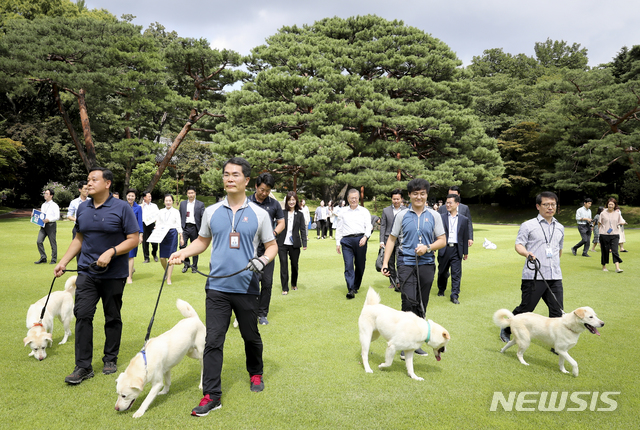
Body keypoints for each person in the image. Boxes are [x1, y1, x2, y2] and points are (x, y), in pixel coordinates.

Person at [167, 156, 277, 417]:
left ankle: (256, 373)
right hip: (216, 287)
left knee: (250, 336)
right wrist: (183, 252)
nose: (229, 178)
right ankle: (211, 395)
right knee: (213, 341)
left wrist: (262, 259)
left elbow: (271, 246)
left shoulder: (260, 214)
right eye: (226, 174)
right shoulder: (212, 211)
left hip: (247, 286)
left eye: (235, 174)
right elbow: (202, 242)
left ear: (246, 180)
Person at [54, 167, 139, 384]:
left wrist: (111, 252)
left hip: (114, 274)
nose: (89, 183)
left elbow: (133, 238)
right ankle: (83, 366)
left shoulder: (121, 208)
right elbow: (79, 238)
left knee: (112, 316)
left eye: (94, 180)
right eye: (88, 180)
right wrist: (63, 262)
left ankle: (110, 358)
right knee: (82, 315)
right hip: (87, 272)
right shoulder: (83, 208)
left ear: (107, 183)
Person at [499, 191, 565, 343]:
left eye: (553, 204)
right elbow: (518, 244)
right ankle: (507, 327)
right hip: (534, 276)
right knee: (526, 309)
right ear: (538, 206)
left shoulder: (560, 227)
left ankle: (557, 343)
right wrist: (527, 254)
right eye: (546, 204)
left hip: (555, 276)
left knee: (557, 311)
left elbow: (558, 250)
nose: (550, 207)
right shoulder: (528, 225)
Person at [382, 179, 446, 317]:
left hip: (427, 263)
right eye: (415, 193)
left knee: (422, 303)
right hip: (406, 263)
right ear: (409, 195)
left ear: (427, 195)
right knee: (408, 302)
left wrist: (427, 248)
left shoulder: (435, 215)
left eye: (422, 193)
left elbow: (442, 241)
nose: (419, 197)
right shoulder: (401, 215)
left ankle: (419, 333)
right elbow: (392, 239)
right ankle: (405, 336)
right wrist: (385, 263)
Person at [249, 172, 284, 325]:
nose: (264, 193)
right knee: (251, 282)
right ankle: (249, 312)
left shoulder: (274, 204)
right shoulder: (246, 201)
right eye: (262, 189)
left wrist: (273, 233)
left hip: (269, 248)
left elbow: (281, 222)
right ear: (256, 186)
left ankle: (262, 313)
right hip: (250, 248)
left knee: (267, 283)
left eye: (267, 191)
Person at [335, 189, 373, 299]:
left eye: (356, 198)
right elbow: (339, 228)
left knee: (360, 265)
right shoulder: (343, 212)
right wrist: (338, 242)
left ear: (358, 198)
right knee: (348, 265)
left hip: (361, 239)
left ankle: (356, 286)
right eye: (351, 198)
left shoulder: (364, 211)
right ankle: (350, 289)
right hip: (346, 241)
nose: (354, 200)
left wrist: (365, 237)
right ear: (348, 199)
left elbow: (368, 226)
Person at [437, 194, 469, 304]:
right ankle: (441, 289)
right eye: (447, 202)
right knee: (442, 272)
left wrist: (465, 252)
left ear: (457, 204)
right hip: (444, 247)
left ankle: (454, 295)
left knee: (456, 273)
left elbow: (465, 236)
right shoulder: (441, 217)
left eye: (450, 202)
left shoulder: (463, 219)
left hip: (456, 249)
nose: (448, 204)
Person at [277, 192, 307, 294]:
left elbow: (303, 229)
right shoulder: (282, 212)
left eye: (293, 200)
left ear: (296, 201)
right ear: (287, 201)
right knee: (283, 265)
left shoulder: (300, 214)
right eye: (289, 200)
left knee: (294, 265)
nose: (291, 202)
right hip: (282, 243)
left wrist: (305, 243)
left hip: (295, 243)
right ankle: (285, 288)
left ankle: (294, 283)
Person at [379, 189, 405, 290]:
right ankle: (392, 281)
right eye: (394, 199)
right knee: (390, 263)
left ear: (401, 199)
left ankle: (399, 281)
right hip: (388, 240)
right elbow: (383, 226)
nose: (396, 201)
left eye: (398, 199)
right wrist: (381, 241)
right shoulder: (386, 210)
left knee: (400, 261)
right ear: (391, 199)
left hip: (401, 240)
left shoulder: (405, 210)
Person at [156, 194, 182, 285]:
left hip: (172, 234)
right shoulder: (160, 211)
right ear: (164, 201)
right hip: (163, 234)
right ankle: (166, 273)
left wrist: (181, 236)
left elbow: (179, 224)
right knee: (162, 258)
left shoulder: (176, 212)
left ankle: (169, 278)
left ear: (172, 202)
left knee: (171, 257)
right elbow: (158, 223)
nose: (168, 202)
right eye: (166, 200)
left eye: (169, 201)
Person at [179, 186, 205, 274]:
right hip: (185, 228)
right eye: (189, 193)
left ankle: (194, 266)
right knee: (182, 246)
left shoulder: (200, 204)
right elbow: (179, 216)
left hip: (195, 228)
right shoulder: (182, 204)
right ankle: (186, 264)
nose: (190, 195)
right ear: (187, 194)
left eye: (192, 193)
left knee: (195, 247)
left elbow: (203, 217)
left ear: (195, 193)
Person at [598, 198, 624, 273]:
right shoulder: (603, 213)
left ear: (615, 205)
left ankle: (617, 268)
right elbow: (599, 223)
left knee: (615, 251)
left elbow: (620, 222)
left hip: (615, 234)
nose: (610, 206)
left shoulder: (617, 214)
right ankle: (604, 266)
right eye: (609, 204)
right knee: (605, 251)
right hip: (604, 234)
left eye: (612, 204)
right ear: (607, 205)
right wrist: (601, 231)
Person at [35, 188, 60, 264]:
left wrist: (49, 219)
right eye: (44, 193)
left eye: (47, 194)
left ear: (51, 195)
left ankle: (54, 259)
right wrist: (35, 215)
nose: (45, 195)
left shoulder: (54, 205)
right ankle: (43, 257)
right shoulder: (43, 205)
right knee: (39, 241)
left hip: (51, 225)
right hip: (43, 225)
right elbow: (42, 215)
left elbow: (57, 217)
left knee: (52, 242)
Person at [125, 189, 144, 284]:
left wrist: (141, 235)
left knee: (130, 256)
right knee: (123, 255)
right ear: (126, 196)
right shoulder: (123, 206)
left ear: (135, 197)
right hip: (122, 234)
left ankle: (129, 277)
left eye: (132, 196)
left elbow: (140, 222)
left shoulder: (138, 208)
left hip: (133, 235)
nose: (130, 197)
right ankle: (129, 270)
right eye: (129, 195)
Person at [141, 191, 159, 263]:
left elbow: (158, 215)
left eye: (150, 196)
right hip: (144, 225)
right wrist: (142, 206)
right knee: (145, 242)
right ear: (144, 197)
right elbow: (138, 214)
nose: (150, 198)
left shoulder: (154, 205)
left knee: (154, 242)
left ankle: (154, 254)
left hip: (152, 224)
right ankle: (146, 258)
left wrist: (157, 223)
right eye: (149, 196)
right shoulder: (140, 206)